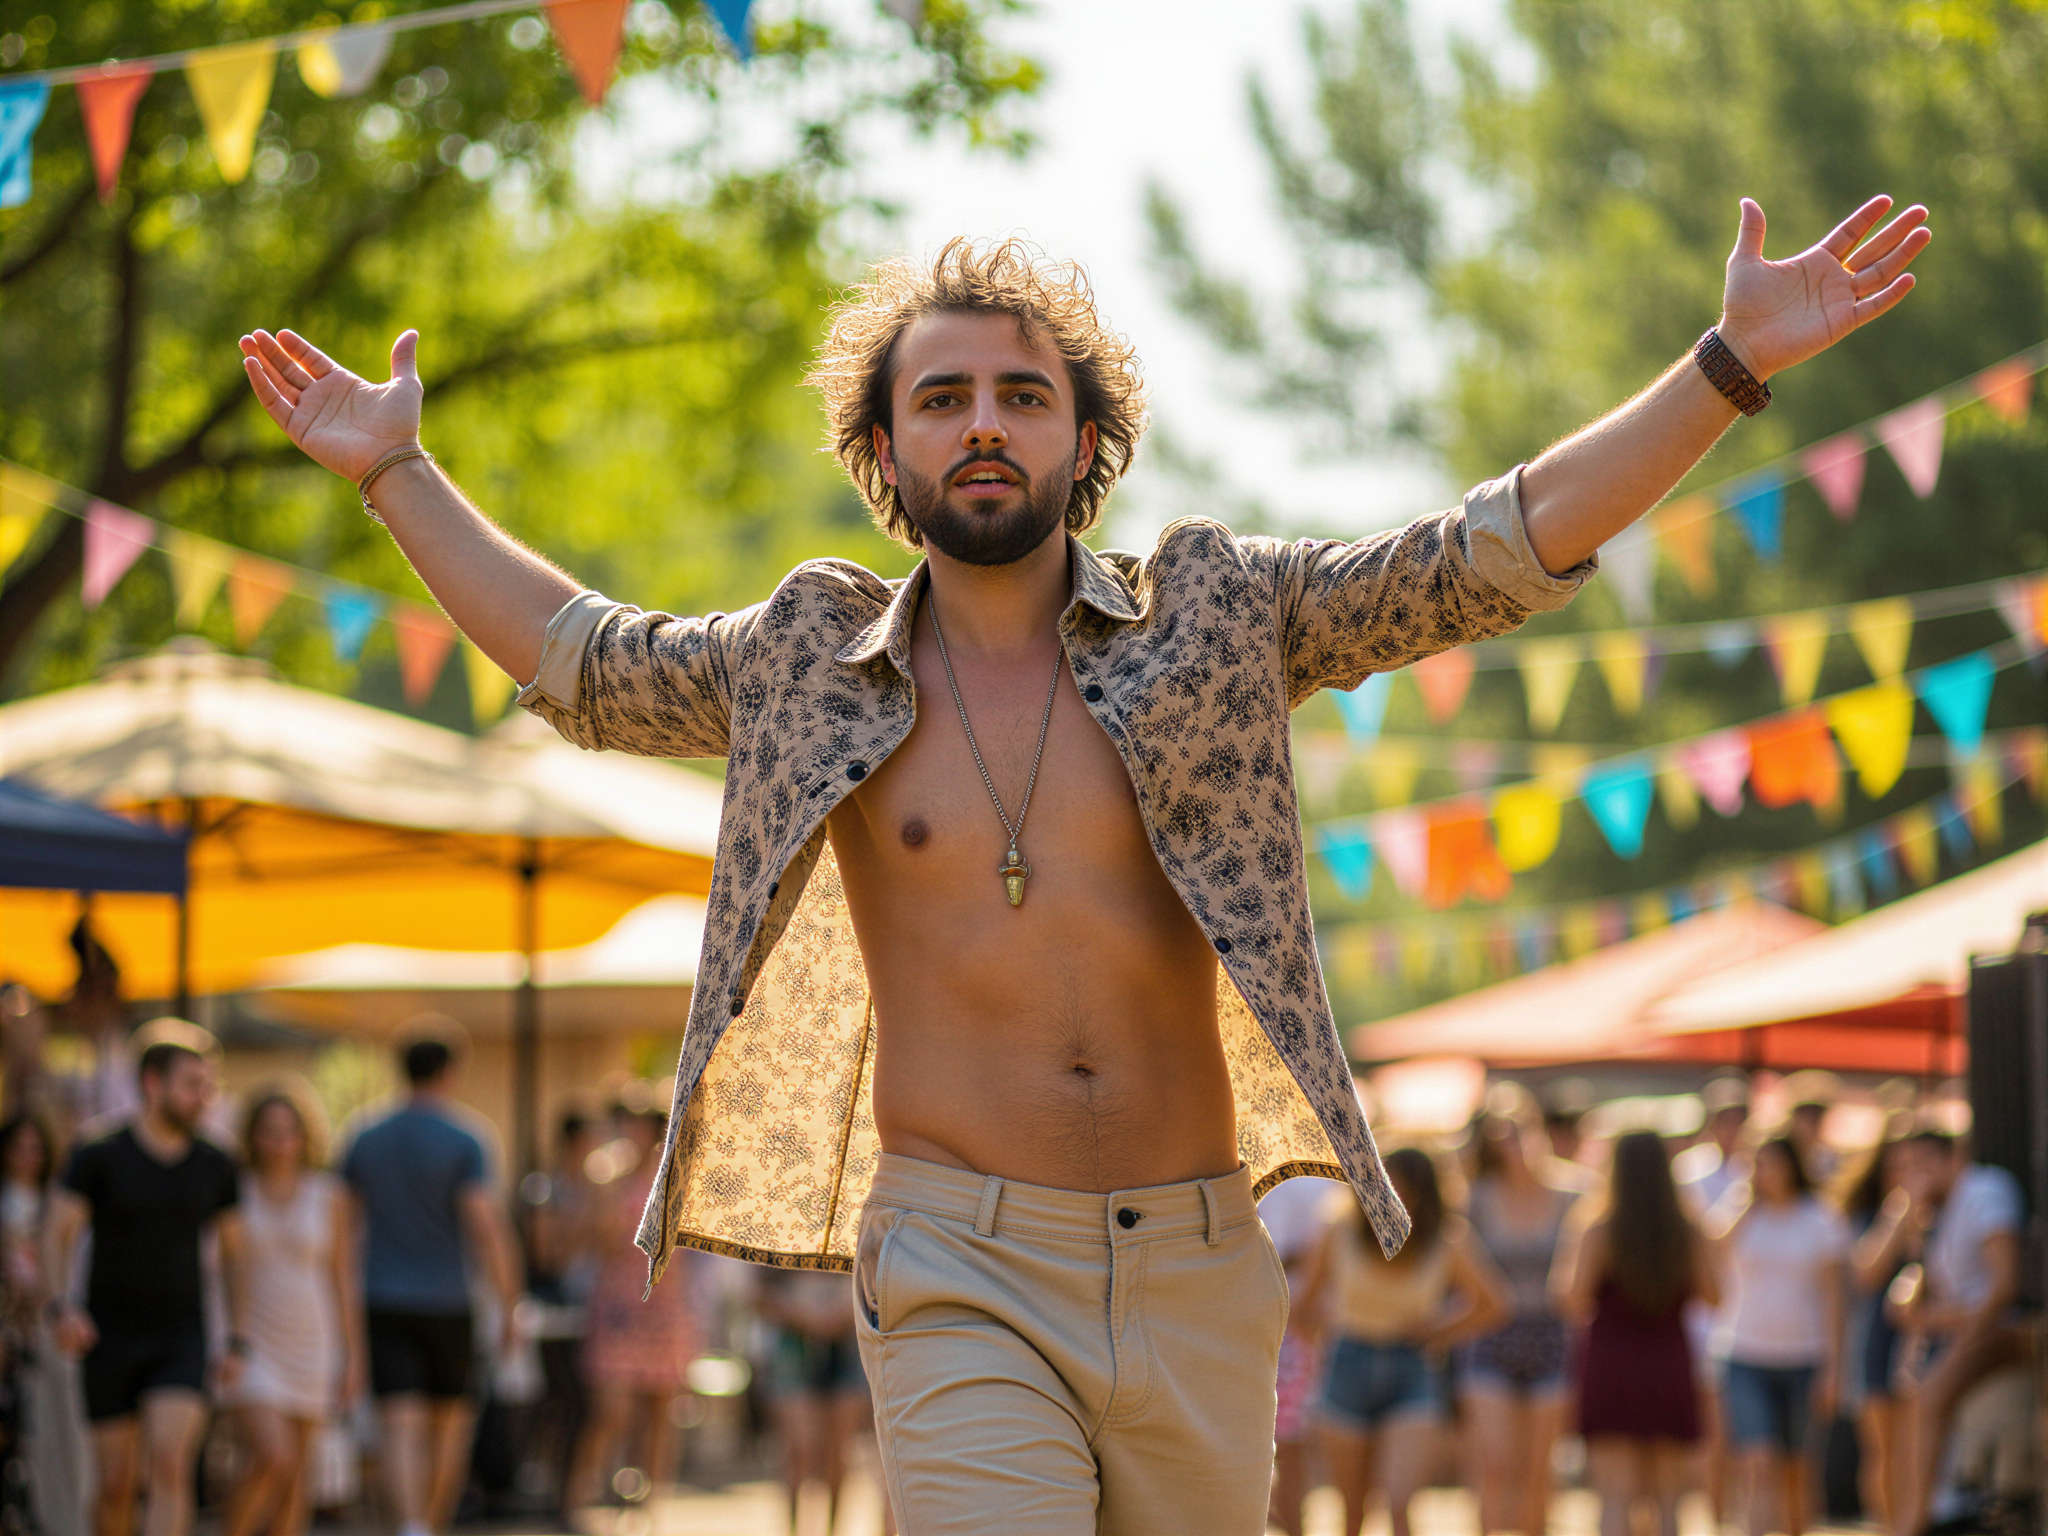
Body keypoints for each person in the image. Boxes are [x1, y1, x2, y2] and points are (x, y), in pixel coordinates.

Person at [239, 192, 1930, 1532]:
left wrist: (1721, 366)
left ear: (1081, 440)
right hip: (955, 1253)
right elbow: (584, 657)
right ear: (885, 452)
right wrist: (396, 472)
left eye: (1021, 396)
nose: (984, 425)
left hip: (1199, 1259)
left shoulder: (1215, 614)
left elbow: (1482, 554)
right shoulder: (805, 657)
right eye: (943, 398)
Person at [45, 1024, 248, 1536]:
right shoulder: (98, 1152)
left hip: (181, 1335)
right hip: (107, 1335)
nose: (203, 1097)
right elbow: (57, 1233)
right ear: (152, 1083)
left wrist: (237, 1338)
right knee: (116, 1484)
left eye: (208, 1085)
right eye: (191, 1084)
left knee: (170, 1465)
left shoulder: (215, 1162)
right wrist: (60, 1306)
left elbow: (235, 1254)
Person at [341, 1029, 522, 1536]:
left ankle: (409, 1526)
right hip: (448, 1301)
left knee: (397, 1424)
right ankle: (430, 1526)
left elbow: (342, 1228)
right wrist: (510, 1305)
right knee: (451, 1426)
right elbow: (485, 1227)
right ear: (450, 1071)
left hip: (380, 1297)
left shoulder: (364, 1135)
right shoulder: (466, 1137)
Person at [1295, 1147, 1509, 1536]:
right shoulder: (1337, 1228)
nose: (1394, 1197)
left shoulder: (1447, 1237)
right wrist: (1324, 1348)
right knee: (1352, 1511)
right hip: (1348, 1360)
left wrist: (1439, 1331)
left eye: (1405, 1188)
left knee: (1398, 1502)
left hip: (1412, 1367)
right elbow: (1303, 1308)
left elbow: (1494, 1305)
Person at [1556, 1130, 1721, 1536]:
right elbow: (1714, 1296)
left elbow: (1570, 1297)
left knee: (1614, 1496)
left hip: (1611, 1364)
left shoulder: (1598, 1227)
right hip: (1668, 1363)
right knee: (1669, 1499)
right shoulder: (1687, 1228)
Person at [1867, 1131, 2025, 1536]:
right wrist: (1908, 1219)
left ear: (1953, 1158)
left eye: (1924, 1163)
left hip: (2001, 1330)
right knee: (1906, 1402)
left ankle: (1917, 1519)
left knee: (1930, 1396)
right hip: (1954, 1332)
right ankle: (1917, 1512)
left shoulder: (1984, 1191)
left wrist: (1959, 1348)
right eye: (1909, 1167)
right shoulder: (1933, 1210)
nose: (1916, 1175)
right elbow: (1876, 1275)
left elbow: (2004, 1288)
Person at [223, 1085, 364, 1536]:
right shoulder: (234, 1192)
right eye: (270, 1131)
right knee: (272, 1457)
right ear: (253, 1136)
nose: (281, 1141)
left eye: (290, 1131)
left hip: (314, 1339)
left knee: (298, 1475)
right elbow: (225, 1271)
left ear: (306, 1137)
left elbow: (343, 1278)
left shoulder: (331, 1195)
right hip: (254, 1339)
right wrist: (228, 1340)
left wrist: (353, 1358)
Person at [563, 1103, 697, 1522]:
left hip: (665, 1306)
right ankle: (579, 1501)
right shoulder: (607, 1178)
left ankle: (649, 1508)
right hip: (619, 1306)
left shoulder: (677, 1175)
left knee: (660, 1412)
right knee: (611, 1412)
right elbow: (590, 1240)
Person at [1709, 1137, 1846, 1536]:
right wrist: (1745, 1206)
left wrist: (1834, 1369)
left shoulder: (1820, 1217)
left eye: (1772, 1164)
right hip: (1744, 1354)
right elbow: (1709, 1252)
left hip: (1805, 1357)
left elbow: (1834, 1299)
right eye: (1758, 1164)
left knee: (1798, 1471)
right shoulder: (1741, 1212)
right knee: (1757, 1463)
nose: (1765, 1173)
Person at [1457, 1113, 1576, 1536]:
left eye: (1519, 1134)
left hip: (1552, 1335)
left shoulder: (1574, 1194)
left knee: (1540, 1468)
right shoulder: (1476, 1198)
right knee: (1495, 1462)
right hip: (1491, 1335)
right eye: (1500, 1140)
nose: (1513, 1147)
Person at [1, 1111, 90, 1536]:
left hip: (46, 1332)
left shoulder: (59, 1205)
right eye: (18, 1147)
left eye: (35, 1148)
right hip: (9, 1329)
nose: (26, 1157)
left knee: (53, 1434)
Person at [757, 1265, 889, 1536]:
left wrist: (840, 1315)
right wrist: (803, 1317)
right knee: (800, 1448)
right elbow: (759, 1295)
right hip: (795, 1346)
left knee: (838, 1452)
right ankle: (795, 1529)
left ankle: (833, 1530)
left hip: (847, 1345)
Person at [1258, 1175, 1342, 1536]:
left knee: (1292, 1445)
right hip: (1290, 1322)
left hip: (1297, 1325)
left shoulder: (1322, 1182)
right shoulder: (1328, 1181)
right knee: (1289, 1446)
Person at [1841, 1137, 1910, 1531]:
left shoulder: (1941, 1214)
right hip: (1876, 1342)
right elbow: (1867, 1272)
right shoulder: (1868, 1217)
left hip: (1918, 1339)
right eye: (1897, 1167)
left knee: (1912, 1449)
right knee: (1882, 1451)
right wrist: (1899, 1215)